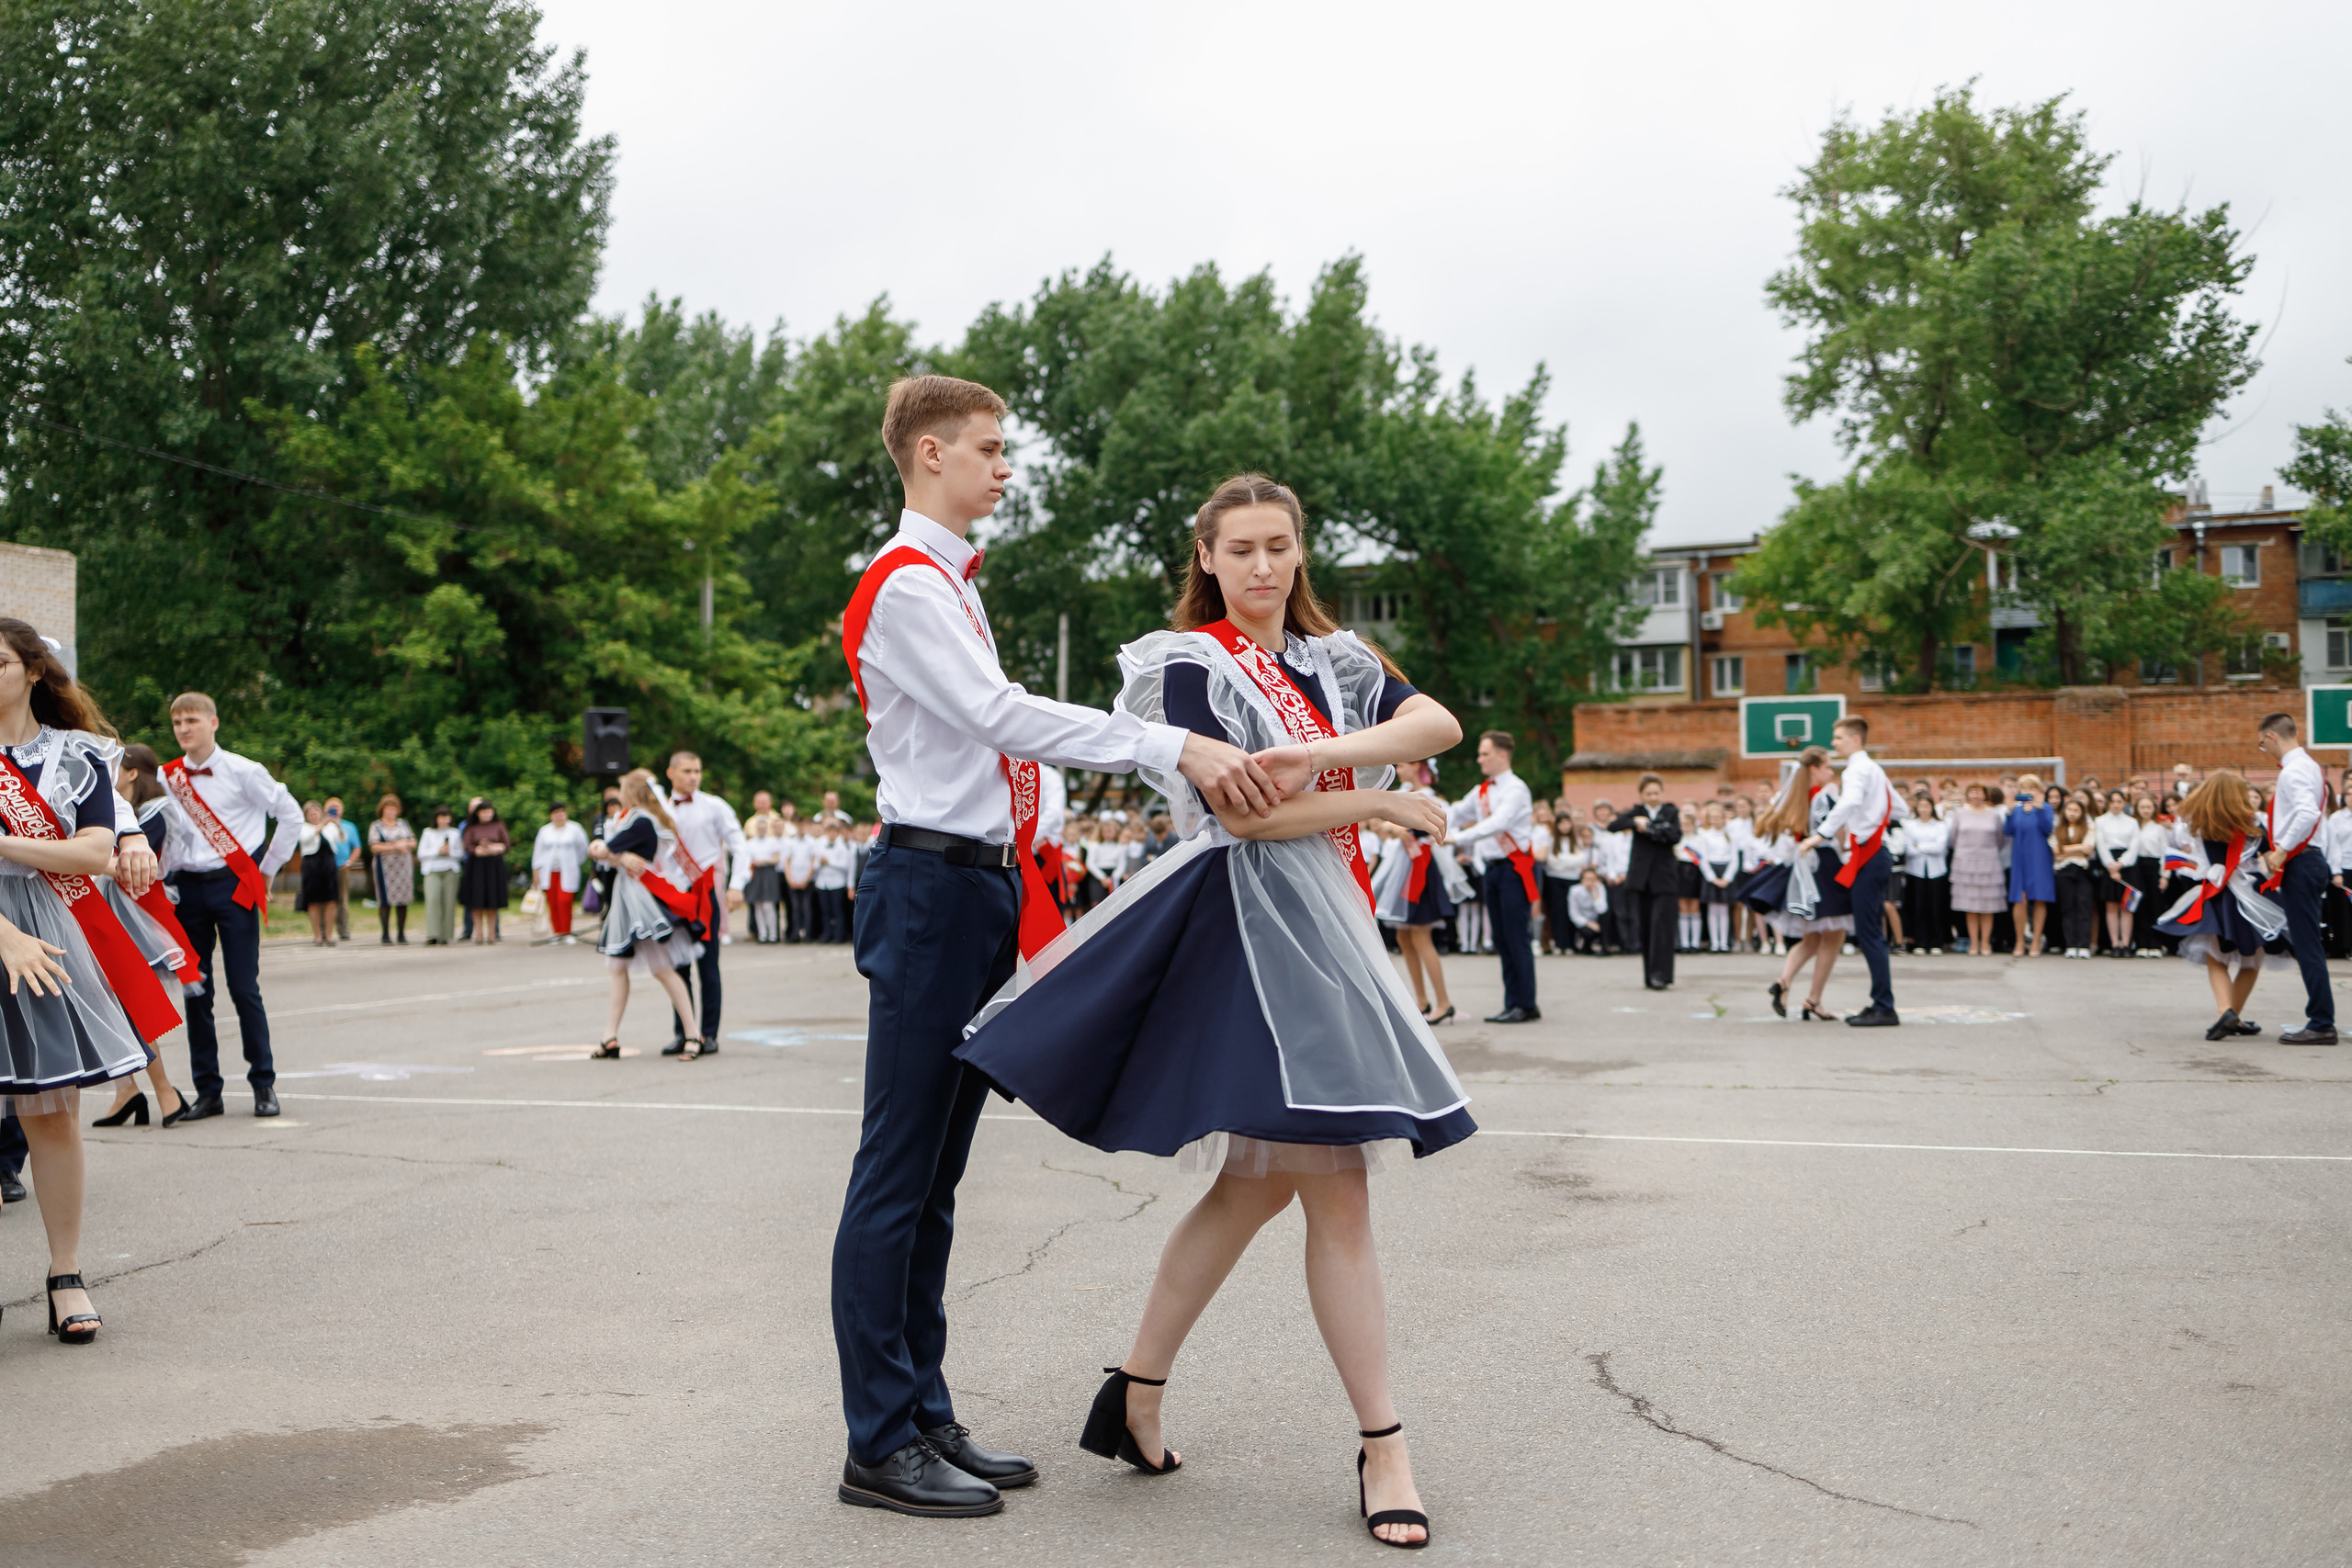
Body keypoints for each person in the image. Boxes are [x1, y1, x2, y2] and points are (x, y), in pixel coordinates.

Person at [956, 470, 1466, 1549]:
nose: (1263, 566)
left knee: (1253, 1189)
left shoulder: (1335, 660)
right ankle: (1384, 1445)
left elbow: (1436, 721)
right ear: (1207, 559)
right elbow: (1242, 821)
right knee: (1335, 1189)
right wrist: (1375, 800)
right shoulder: (1189, 663)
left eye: (1278, 545)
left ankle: (1134, 1390)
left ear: (1300, 550)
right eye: (1240, 549)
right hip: (1253, 941)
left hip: (1329, 930)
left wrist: (1319, 753)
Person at [827, 378, 1277, 1519]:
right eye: (988, 448)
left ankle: (921, 1412)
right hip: (931, 888)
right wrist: (1165, 743)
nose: (1004, 467)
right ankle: (877, 1440)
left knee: (935, 1179)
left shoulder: (947, 582)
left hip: (974, 884)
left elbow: (997, 725)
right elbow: (999, 716)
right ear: (930, 454)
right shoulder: (906, 583)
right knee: (897, 1172)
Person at [0, 617, 169, 1340]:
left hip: (49, 931)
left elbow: (95, 850)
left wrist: (6, 844)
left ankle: (66, 1273)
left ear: (34, 670)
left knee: (50, 1114)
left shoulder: (80, 754)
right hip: (10, 933)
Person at [158, 692, 300, 1120]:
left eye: (192, 720)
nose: (184, 729)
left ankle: (263, 1083)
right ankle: (208, 1091)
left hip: (233, 887)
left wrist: (268, 870)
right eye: (177, 722)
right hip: (186, 890)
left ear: (213, 722)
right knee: (196, 991)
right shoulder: (167, 777)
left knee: (243, 987)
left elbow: (290, 815)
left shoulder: (244, 770)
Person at [90, 742, 198, 1127]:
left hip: (138, 916)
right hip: (108, 911)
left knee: (132, 1004)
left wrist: (84, 856)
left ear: (132, 772)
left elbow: (128, 865)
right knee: (110, 1004)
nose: (107, 775)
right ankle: (128, 1090)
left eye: (114, 767)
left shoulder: (155, 813)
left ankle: (163, 1092)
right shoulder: (116, 811)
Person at [584, 769, 707, 1058]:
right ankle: (610, 1036)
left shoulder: (641, 820)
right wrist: (618, 856)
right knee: (618, 968)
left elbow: (603, 850)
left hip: (640, 898)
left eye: (623, 788)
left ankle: (693, 1034)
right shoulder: (626, 818)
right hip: (626, 896)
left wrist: (612, 853)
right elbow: (600, 848)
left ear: (631, 791)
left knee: (661, 969)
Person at [2155, 771, 2283, 1041]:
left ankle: (2226, 1012)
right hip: (2252, 893)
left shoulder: (2201, 822)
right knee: (2251, 960)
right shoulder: (2254, 824)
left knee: (2216, 958)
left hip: (2218, 892)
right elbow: (2271, 858)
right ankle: (2231, 1015)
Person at [1799, 717, 1899, 1025]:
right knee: (1870, 932)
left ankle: (1884, 1007)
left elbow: (1850, 802)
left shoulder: (1856, 769)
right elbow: (1900, 806)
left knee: (1870, 934)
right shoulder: (1874, 769)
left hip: (1869, 854)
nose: (1834, 743)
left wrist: (1819, 835)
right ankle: (1880, 1002)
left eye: (1839, 737)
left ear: (1856, 739)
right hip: (1873, 853)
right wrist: (1877, 818)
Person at [657, 751, 750, 1053]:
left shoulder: (714, 806)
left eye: (697, 771)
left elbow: (740, 845)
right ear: (671, 773)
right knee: (678, 967)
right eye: (687, 771)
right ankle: (685, 1033)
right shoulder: (658, 809)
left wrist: (736, 885)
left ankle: (709, 1034)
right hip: (673, 896)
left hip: (705, 894)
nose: (694, 777)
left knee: (708, 966)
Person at [2255, 712, 2336, 1044]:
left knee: (2307, 945)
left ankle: (2321, 1022)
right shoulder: (2309, 766)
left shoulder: (2294, 771)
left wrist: (2281, 850)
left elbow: (2306, 813)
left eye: (2262, 744)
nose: (2264, 750)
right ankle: (2321, 1019)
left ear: (2272, 737)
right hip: (2308, 860)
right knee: (2307, 942)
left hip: (2300, 862)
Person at [1448, 731, 1539, 1022]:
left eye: (1484, 753)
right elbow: (1456, 812)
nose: (1479, 759)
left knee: (1516, 937)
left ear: (1502, 755)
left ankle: (1526, 1004)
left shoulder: (1516, 789)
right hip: (1492, 869)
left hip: (1514, 868)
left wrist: (1458, 838)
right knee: (1500, 937)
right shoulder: (1481, 791)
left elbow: (1499, 823)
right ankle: (1512, 1002)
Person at [1374, 760, 1461, 1023]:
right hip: (1405, 868)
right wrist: (1392, 827)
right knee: (1404, 936)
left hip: (1420, 869)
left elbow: (1406, 826)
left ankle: (1444, 1002)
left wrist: (1392, 826)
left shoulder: (1429, 797)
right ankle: (1421, 1000)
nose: (1398, 770)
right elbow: (1382, 823)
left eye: (1402, 766)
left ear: (1416, 766)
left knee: (1421, 936)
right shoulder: (1405, 794)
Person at [1620, 773, 1683, 990]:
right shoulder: (1637, 812)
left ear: (1662, 792)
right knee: (1646, 927)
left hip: (1665, 880)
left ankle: (1661, 975)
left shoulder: (1671, 812)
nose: (1653, 797)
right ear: (1642, 794)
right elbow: (1614, 825)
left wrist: (1652, 829)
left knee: (1662, 926)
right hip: (1642, 880)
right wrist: (1634, 822)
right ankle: (1649, 975)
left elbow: (1675, 835)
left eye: (1656, 793)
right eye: (1649, 793)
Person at [1950, 783, 2006, 956]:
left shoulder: (1994, 814)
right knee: (1970, 906)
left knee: (1988, 906)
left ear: (1985, 794)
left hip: (1989, 862)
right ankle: (1974, 943)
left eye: (1978, 792)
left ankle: (1986, 942)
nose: (1975, 795)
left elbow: (2000, 839)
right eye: (1972, 792)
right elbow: (1953, 838)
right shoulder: (1960, 814)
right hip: (1965, 863)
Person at [2003, 775, 2055, 957]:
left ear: (2039, 791)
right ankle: (2019, 941)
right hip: (2019, 858)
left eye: (2032, 788)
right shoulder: (2016, 810)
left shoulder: (2046, 808)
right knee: (2020, 899)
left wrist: (2039, 808)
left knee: (2040, 898)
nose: (2028, 791)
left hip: (2039, 858)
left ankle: (2035, 942)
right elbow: (2008, 831)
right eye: (2024, 788)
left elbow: (2047, 829)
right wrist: (2009, 812)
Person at [1899, 788, 1951, 954]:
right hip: (1915, 871)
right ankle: (1919, 942)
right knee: (1918, 906)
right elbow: (1909, 849)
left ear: (1932, 808)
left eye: (1926, 806)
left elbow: (1940, 847)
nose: (1923, 809)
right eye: (1920, 806)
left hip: (1937, 871)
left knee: (1936, 906)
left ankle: (1936, 942)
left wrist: (1919, 846)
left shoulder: (1941, 825)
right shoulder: (1910, 825)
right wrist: (1926, 847)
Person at [532, 803, 589, 946]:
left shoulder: (575, 829)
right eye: (556, 814)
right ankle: (557, 932)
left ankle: (566, 931)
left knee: (565, 900)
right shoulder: (545, 831)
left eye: (561, 813)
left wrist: (575, 862)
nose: (559, 816)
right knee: (553, 902)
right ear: (551, 816)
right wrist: (536, 872)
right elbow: (538, 852)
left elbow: (583, 849)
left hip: (568, 871)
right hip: (549, 872)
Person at [2092, 790, 2140, 958]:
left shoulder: (2132, 822)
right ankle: (2114, 944)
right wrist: (2111, 866)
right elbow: (2101, 844)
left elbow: (2135, 845)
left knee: (2127, 907)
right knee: (2111, 906)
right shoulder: (2100, 821)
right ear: (2108, 803)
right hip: (2109, 865)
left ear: (2124, 802)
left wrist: (2121, 864)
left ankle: (2126, 944)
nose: (2116, 805)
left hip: (2127, 866)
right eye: (2113, 801)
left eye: (2119, 801)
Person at [2052, 796, 2098, 958]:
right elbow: (2056, 851)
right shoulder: (2057, 828)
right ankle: (2071, 945)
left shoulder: (2089, 828)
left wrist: (2065, 851)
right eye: (2070, 810)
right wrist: (2078, 848)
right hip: (2063, 871)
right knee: (2068, 908)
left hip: (2082, 870)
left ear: (2082, 813)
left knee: (2084, 907)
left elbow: (2088, 850)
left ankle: (2084, 946)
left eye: (2076, 811)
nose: (2072, 813)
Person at [460, 801, 511, 943]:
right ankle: (479, 934)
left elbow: (507, 845)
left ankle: (492, 934)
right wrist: (479, 849)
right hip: (476, 866)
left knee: (492, 899)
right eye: (484, 811)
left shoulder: (499, 826)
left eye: (489, 811)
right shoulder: (471, 827)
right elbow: (467, 846)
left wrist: (493, 847)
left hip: (494, 866)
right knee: (476, 899)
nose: (487, 814)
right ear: (477, 813)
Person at [2129, 794, 2172, 957]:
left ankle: (2155, 944)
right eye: (2142, 807)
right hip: (2136, 867)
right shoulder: (2133, 826)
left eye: (2148, 807)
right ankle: (2141, 944)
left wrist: (2165, 875)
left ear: (2154, 809)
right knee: (2140, 904)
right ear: (2137, 809)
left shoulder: (2159, 828)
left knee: (2155, 905)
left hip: (2154, 867)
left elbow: (2164, 852)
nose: (2145, 810)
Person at [368, 795, 416, 944]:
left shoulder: (403, 824)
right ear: (382, 810)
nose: (391, 812)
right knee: (385, 900)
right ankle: (385, 934)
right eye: (388, 809)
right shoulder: (376, 826)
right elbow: (374, 846)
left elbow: (413, 842)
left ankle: (401, 933)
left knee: (403, 899)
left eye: (394, 809)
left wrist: (405, 844)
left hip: (403, 868)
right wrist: (395, 846)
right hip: (385, 868)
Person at [1691, 801, 1737, 953]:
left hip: (1725, 871)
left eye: (1719, 818)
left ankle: (1724, 943)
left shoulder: (1730, 836)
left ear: (1724, 819)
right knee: (1712, 910)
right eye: (1713, 818)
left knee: (1723, 910)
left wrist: (1727, 878)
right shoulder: (1705, 836)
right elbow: (1703, 858)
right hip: (1712, 872)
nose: (1716, 820)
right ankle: (1714, 943)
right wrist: (1712, 878)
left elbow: (1734, 859)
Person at [296, 801, 340, 946]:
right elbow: (305, 839)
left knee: (331, 900)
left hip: (329, 865)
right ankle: (318, 935)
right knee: (314, 900)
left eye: (316, 812)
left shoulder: (330, 827)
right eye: (311, 814)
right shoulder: (303, 827)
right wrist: (320, 826)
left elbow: (341, 839)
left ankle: (329, 934)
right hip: (312, 866)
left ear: (321, 813)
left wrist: (337, 825)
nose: (314, 815)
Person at [417, 807, 463, 944]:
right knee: (432, 899)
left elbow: (460, 853)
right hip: (432, 869)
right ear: (436, 818)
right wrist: (438, 851)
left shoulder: (455, 833)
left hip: (450, 869)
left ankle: (445, 935)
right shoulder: (428, 832)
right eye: (441, 817)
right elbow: (421, 853)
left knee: (448, 902)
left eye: (446, 817)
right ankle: (432, 933)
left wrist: (450, 852)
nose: (444, 820)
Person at [322, 796, 359, 941]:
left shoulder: (349, 827)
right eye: (331, 807)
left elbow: (357, 848)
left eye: (337, 807)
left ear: (342, 810)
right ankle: (324, 930)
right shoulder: (321, 825)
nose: (334, 810)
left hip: (341, 867)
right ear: (325, 810)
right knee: (324, 899)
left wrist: (350, 862)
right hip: (323, 867)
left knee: (342, 900)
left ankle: (343, 929)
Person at [745, 815, 786, 943]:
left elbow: (776, 859)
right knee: (758, 905)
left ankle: (773, 934)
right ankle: (762, 934)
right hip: (755, 874)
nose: (762, 830)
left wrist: (763, 860)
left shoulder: (772, 842)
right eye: (760, 828)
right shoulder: (750, 843)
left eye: (764, 828)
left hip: (768, 873)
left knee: (768, 905)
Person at [814, 818, 854, 942]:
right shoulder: (820, 844)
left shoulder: (842, 847)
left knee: (837, 911)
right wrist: (820, 863)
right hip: (823, 883)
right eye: (829, 832)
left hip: (837, 883)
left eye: (834, 832)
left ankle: (838, 935)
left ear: (837, 833)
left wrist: (829, 862)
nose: (831, 834)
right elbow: (815, 864)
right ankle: (827, 934)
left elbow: (845, 865)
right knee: (825, 911)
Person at [783, 813, 819, 942]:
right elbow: (787, 862)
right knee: (795, 908)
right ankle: (795, 933)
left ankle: (807, 933)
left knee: (806, 907)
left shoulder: (811, 842)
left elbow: (813, 862)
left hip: (807, 880)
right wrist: (789, 879)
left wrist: (806, 879)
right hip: (793, 879)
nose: (801, 828)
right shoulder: (791, 842)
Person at [1566, 865, 1610, 953]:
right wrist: (1589, 923)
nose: (1590, 882)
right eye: (1588, 879)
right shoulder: (1574, 891)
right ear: (1582, 880)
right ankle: (1584, 945)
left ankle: (1604, 947)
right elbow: (1574, 914)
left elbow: (1602, 910)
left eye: (1593, 879)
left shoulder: (1600, 888)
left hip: (1598, 921)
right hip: (1583, 923)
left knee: (1606, 919)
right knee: (1587, 931)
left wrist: (1595, 893)